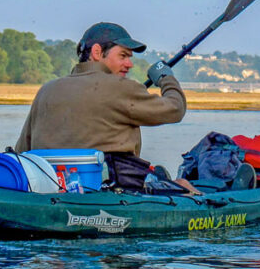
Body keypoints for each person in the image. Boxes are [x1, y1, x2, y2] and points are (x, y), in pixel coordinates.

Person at [14, 22, 197, 193]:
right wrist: (166, 78)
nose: (130, 64)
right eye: (123, 56)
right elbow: (175, 108)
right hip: (109, 189)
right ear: (97, 52)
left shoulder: (46, 90)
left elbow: (21, 150)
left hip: (52, 187)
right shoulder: (121, 87)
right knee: (183, 186)